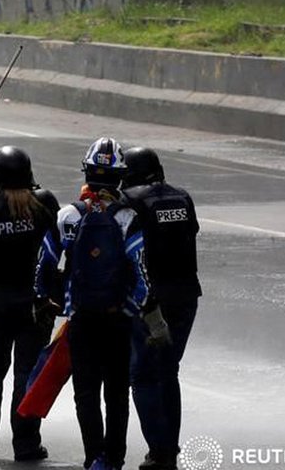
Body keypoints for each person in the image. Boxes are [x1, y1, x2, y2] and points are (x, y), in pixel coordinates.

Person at [35, 137, 167, 470]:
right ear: (120, 177)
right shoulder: (127, 218)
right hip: (117, 321)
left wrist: (51, 302)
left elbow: (44, 265)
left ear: (87, 173)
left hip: (81, 319)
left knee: (86, 393)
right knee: (117, 394)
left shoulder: (68, 215)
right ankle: (115, 458)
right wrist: (132, 309)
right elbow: (141, 274)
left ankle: (93, 456)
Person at [0, 146, 59, 463]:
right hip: (35, 300)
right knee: (27, 374)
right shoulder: (44, 203)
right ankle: (27, 444)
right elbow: (60, 241)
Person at [120, 147, 201, 470]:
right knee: (168, 372)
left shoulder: (130, 200)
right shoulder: (183, 198)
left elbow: (126, 248)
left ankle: (159, 450)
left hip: (149, 299)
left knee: (142, 374)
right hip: (186, 296)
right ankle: (169, 448)